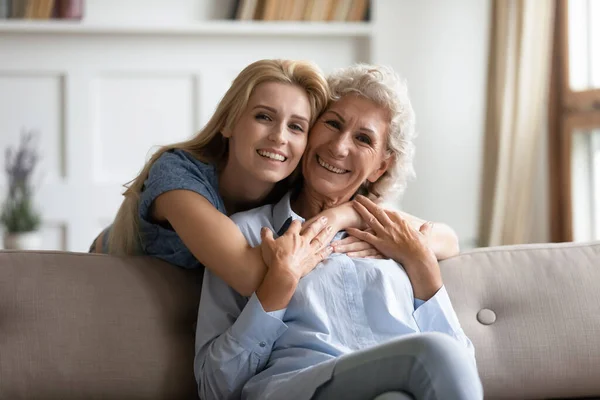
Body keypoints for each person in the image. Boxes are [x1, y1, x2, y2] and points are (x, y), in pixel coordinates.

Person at [194, 64, 483, 400]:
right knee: (436, 353)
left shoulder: (398, 239)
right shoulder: (244, 234)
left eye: (363, 138)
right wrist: (278, 285)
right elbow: (214, 387)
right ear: (310, 132)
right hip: (299, 386)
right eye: (332, 124)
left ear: (380, 167)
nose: (339, 147)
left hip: (398, 387)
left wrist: (422, 266)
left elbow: (461, 371)